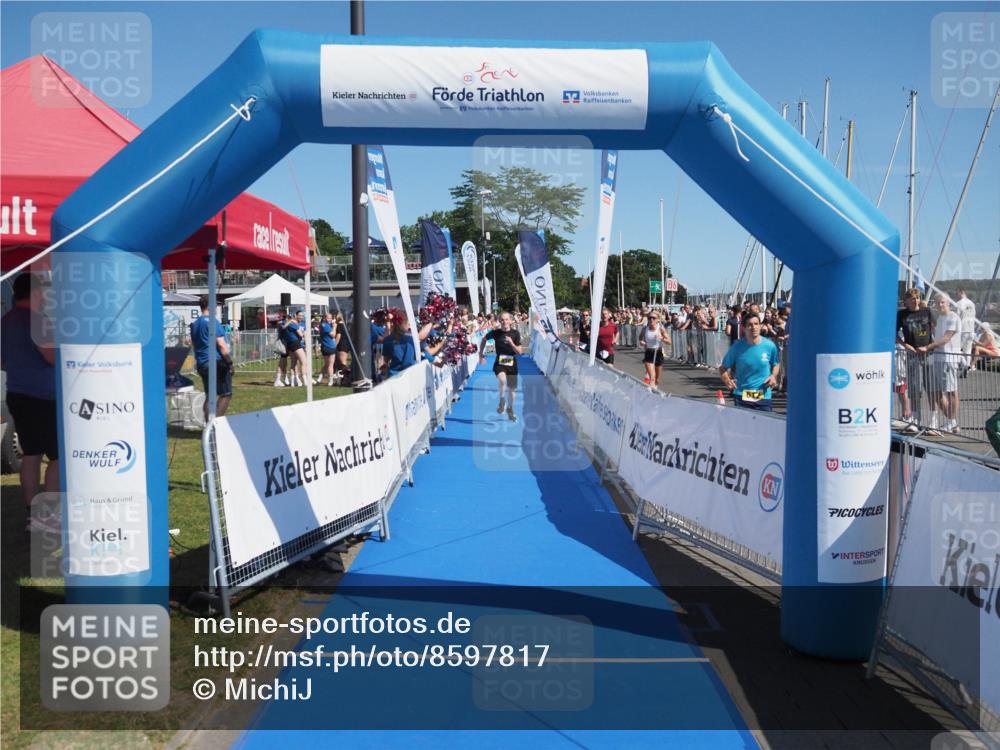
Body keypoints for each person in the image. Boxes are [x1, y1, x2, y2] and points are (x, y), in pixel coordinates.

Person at [1, 273, 60, 531]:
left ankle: (33, 514)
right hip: (43, 397)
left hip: (16, 393)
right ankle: (50, 514)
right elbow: (52, 358)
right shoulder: (39, 321)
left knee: (31, 454)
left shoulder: (5, 321)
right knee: (57, 456)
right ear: (36, 293)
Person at [718, 310, 780, 412]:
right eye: (750, 325)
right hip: (742, 396)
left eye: (756, 324)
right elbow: (722, 368)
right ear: (744, 328)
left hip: (763, 396)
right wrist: (727, 380)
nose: (754, 327)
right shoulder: (737, 347)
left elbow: (776, 364)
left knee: (764, 427)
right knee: (743, 428)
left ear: (760, 326)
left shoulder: (770, 346)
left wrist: (773, 376)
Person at [920, 294, 961, 433]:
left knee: (951, 391)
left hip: (948, 358)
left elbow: (946, 338)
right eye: (937, 303)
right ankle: (950, 422)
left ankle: (951, 423)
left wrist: (927, 347)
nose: (940, 305)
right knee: (937, 391)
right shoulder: (940, 318)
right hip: (938, 358)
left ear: (948, 303)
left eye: (942, 302)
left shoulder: (953, 317)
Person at [190, 297, 234, 421]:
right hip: (216, 362)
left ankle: (208, 426)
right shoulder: (212, 322)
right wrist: (230, 363)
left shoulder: (195, 324)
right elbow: (221, 344)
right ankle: (215, 426)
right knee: (226, 394)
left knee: (210, 396)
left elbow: (193, 344)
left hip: (202, 362)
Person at [896, 288, 932, 429]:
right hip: (912, 354)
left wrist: (931, 346)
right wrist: (905, 345)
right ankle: (916, 419)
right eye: (912, 298)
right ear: (906, 300)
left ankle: (933, 420)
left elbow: (936, 327)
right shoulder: (902, 314)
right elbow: (894, 333)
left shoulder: (927, 312)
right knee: (914, 387)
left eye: (917, 298)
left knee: (931, 388)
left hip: (928, 353)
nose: (915, 300)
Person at [479, 311, 523, 422]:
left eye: (507, 319)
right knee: (503, 380)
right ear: (499, 321)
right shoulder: (496, 333)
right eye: (502, 320)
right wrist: (481, 354)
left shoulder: (515, 333)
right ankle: (502, 400)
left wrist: (512, 343)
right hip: (500, 361)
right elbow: (484, 339)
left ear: (511, 321)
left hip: (512, 363)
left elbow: (520, 352)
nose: (504, 322)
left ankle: (510, 409)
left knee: (512, 391)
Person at [641, 310, 672, 388]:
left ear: (658, 319)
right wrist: (642, 342)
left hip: (658, 352)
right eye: (649, 318)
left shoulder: (661, 329)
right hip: (649, 352)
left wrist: (662, 338)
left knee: (656, 379)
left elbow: (669, 342)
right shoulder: (645, 328)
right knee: (652, 378)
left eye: (653, 318)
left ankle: (655, 387)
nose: (651, 319)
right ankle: (651, 394)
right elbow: (640, 338)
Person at [954, 289, 977, 371]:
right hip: (971, 329)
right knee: (968, 350)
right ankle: (967, 366)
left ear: (960, 293)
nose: (956, 296)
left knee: (956, 348)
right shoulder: (972, 303)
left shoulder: (958, 304)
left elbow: (956, 317)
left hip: (962, 329)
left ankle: (963, 365)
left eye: (956, 294)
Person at [317, 311, 338, 386]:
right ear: (325, 318)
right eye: (328, 318)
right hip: (328, 346)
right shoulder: (324, 325)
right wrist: (335, 327)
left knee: (327, 364)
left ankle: (320, 377)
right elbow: (333, 334)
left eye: (331, 318)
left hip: (329, 346)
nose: (330, 319)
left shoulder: (328, 325)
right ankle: (330, 380)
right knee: (330, 365)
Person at [335, 313, 352, 382]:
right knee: (343, 362)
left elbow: (338, 336)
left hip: (342, 345)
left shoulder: (339, 325)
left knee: (343, 363)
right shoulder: (346, 326)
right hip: (347, 344)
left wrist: (334, 345)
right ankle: (345, 377)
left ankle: (345, 378)